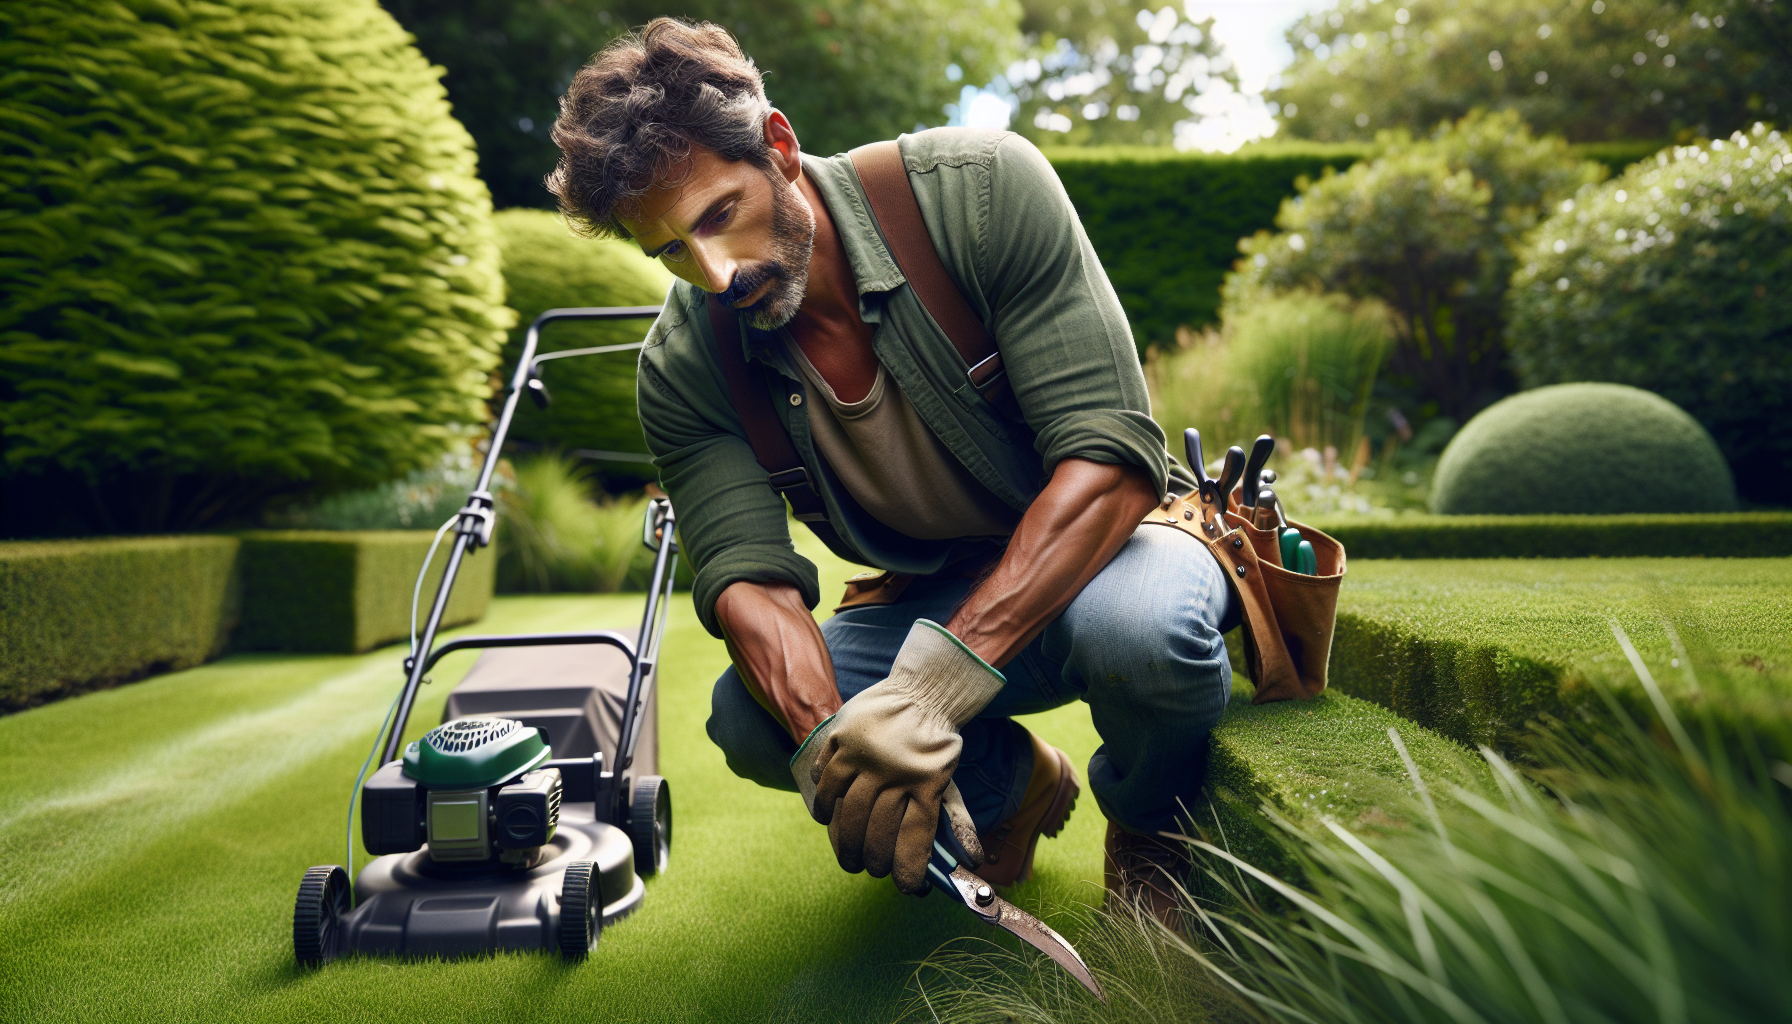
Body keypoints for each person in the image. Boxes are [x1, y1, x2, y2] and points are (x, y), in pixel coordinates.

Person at [546, 17, 1239, 916]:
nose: (716, 276)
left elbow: (1111, 463)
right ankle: (1009, 791)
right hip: (934, 594)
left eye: (719, 216)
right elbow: (748, 583)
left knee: (1137, 632)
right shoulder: (684, 367)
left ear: (779, 146)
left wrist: (924, 697)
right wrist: (834, 745)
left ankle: (1150, 828)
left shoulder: (980, 190)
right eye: (672, 250)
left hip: (1118, 550)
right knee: (747, 720)